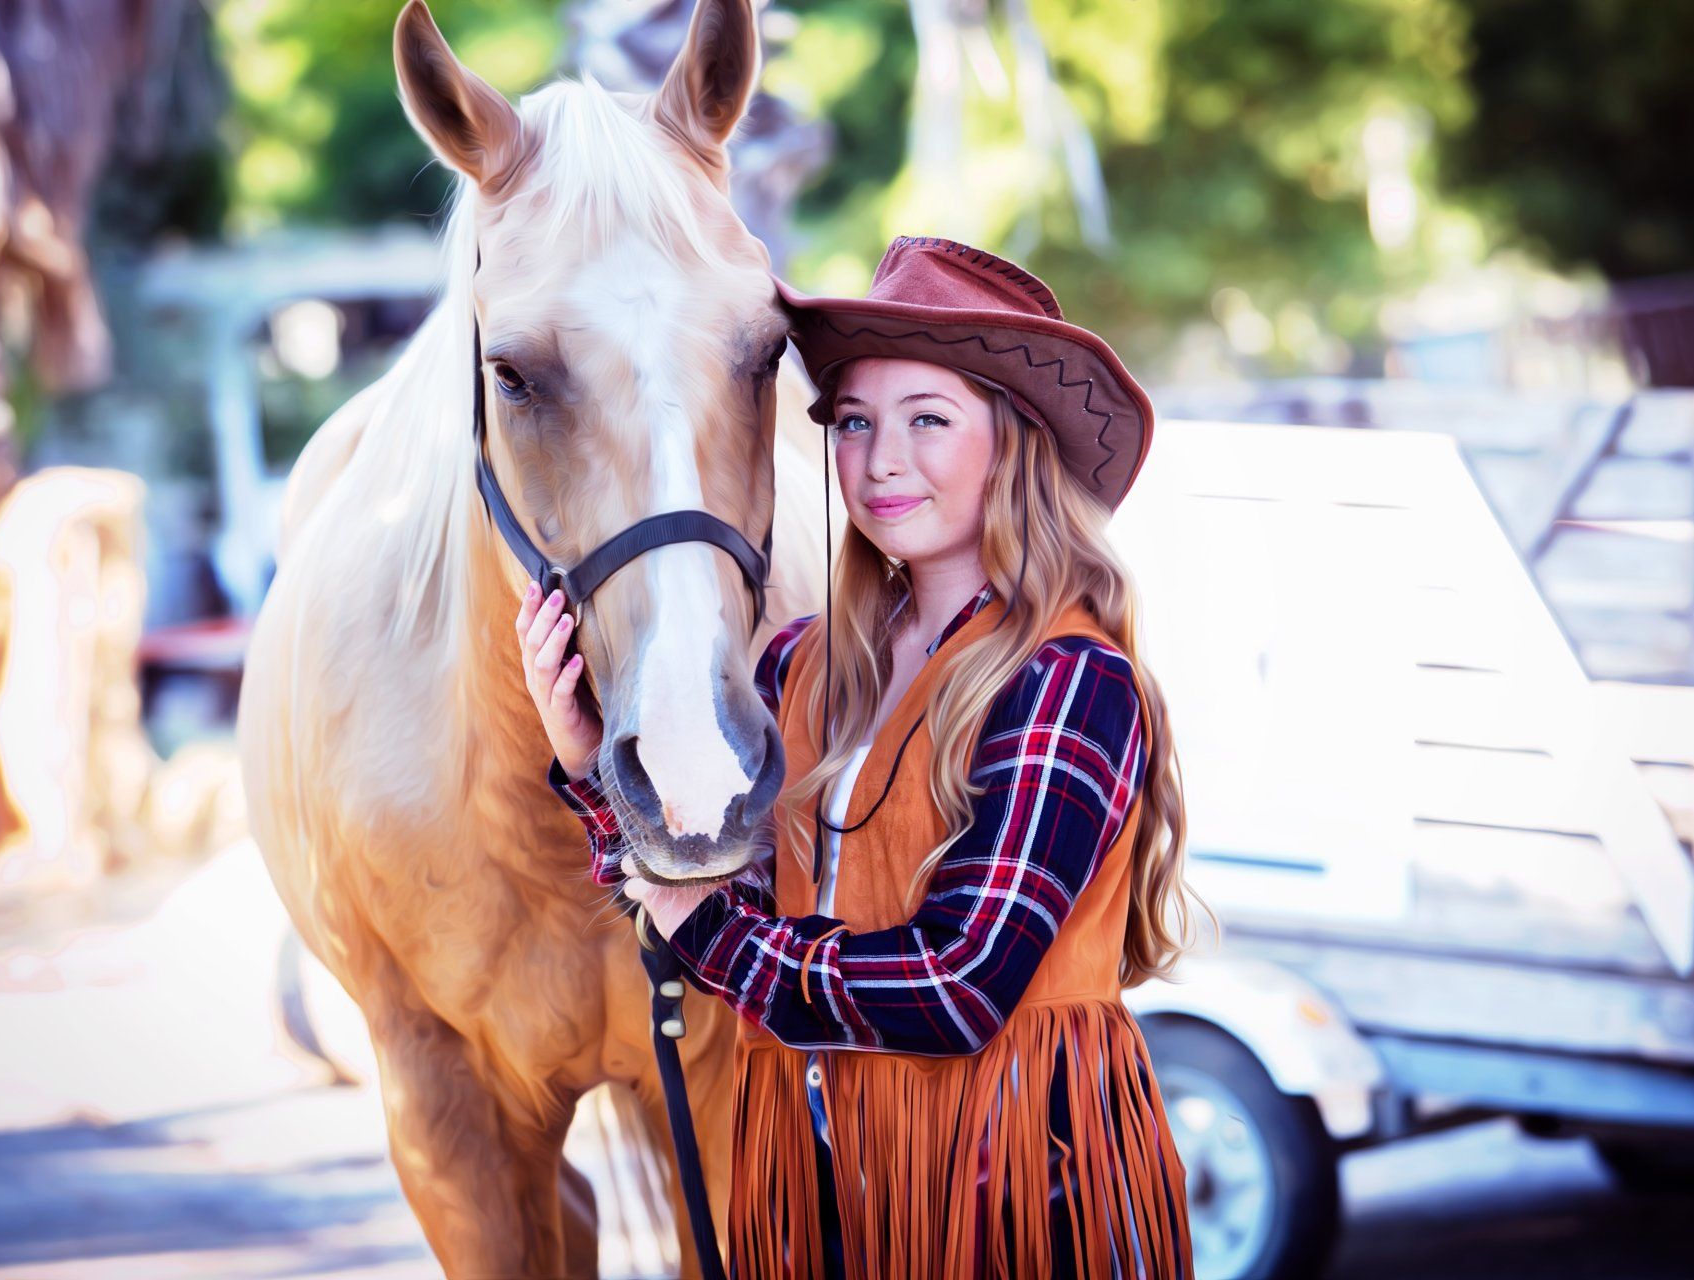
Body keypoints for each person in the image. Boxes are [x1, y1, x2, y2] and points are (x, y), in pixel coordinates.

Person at [517, 235, 1209, 1279]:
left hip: (1020, 1205)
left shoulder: (1068, 680)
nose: (881, 460)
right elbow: (719, 897)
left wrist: (694, 915)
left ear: (1014, 440)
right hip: (825, 1204)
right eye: (854, 421)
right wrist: (597, 774)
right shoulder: (800, 664)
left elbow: (958, 984)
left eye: (928, 418)